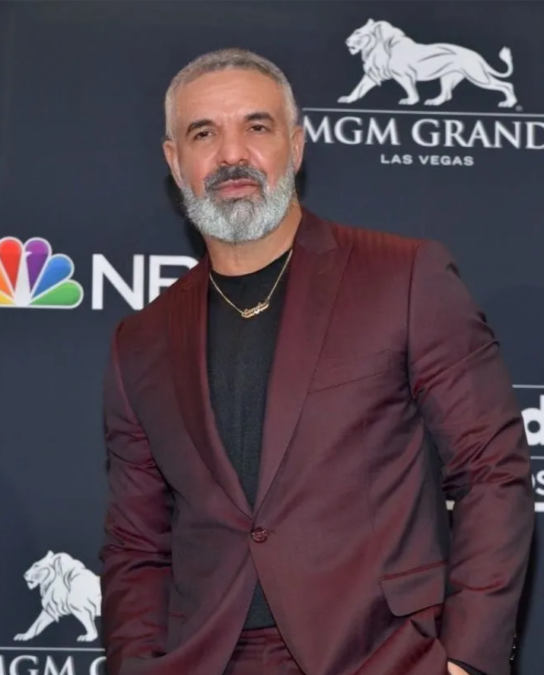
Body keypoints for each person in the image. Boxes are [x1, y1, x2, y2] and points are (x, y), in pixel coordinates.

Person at [99, 48, 534, 675]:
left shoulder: (404, 278)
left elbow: (491, 471)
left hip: (382, 654)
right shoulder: (140, 341)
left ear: (297, 146)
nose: (231, 155)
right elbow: (137, 543)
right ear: (174, 160)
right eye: (203, 133)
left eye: (257, 126)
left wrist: (466, 660)